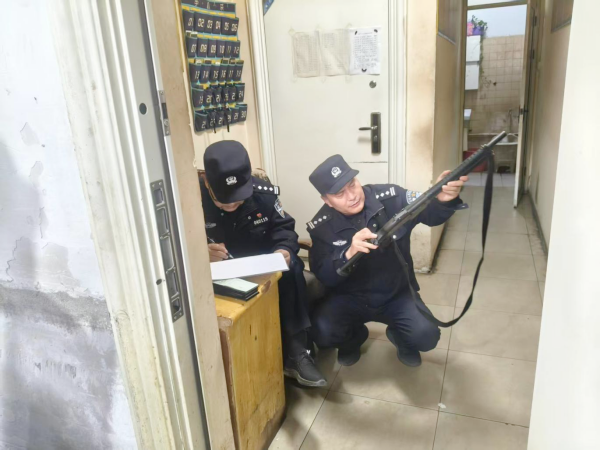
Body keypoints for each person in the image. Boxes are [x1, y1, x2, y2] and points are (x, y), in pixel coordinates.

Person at [306, 155, 468, 367]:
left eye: (352, 184)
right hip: (350, 298)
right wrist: (347, 254)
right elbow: (324, 274)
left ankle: (401, 338)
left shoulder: (392, 197)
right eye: (339, 194)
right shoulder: (321, 227)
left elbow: (430, 215)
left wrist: (443, 200)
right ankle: (352, 340)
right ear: (327, 200)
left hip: (396, 294)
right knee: (322, 331)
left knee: (426, 335)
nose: (352, 196)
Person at [200, 140, 327, 387]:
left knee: (292, 267)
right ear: (207, 182)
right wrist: (199, 253)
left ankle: (297, 353)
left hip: (262, 266)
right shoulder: (188, 200)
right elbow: (173, 246)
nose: (231, 206)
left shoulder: (264, 195)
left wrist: (284, 250)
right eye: (223, 200)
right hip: (217, 272)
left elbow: (284, 229)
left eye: (237, 200)